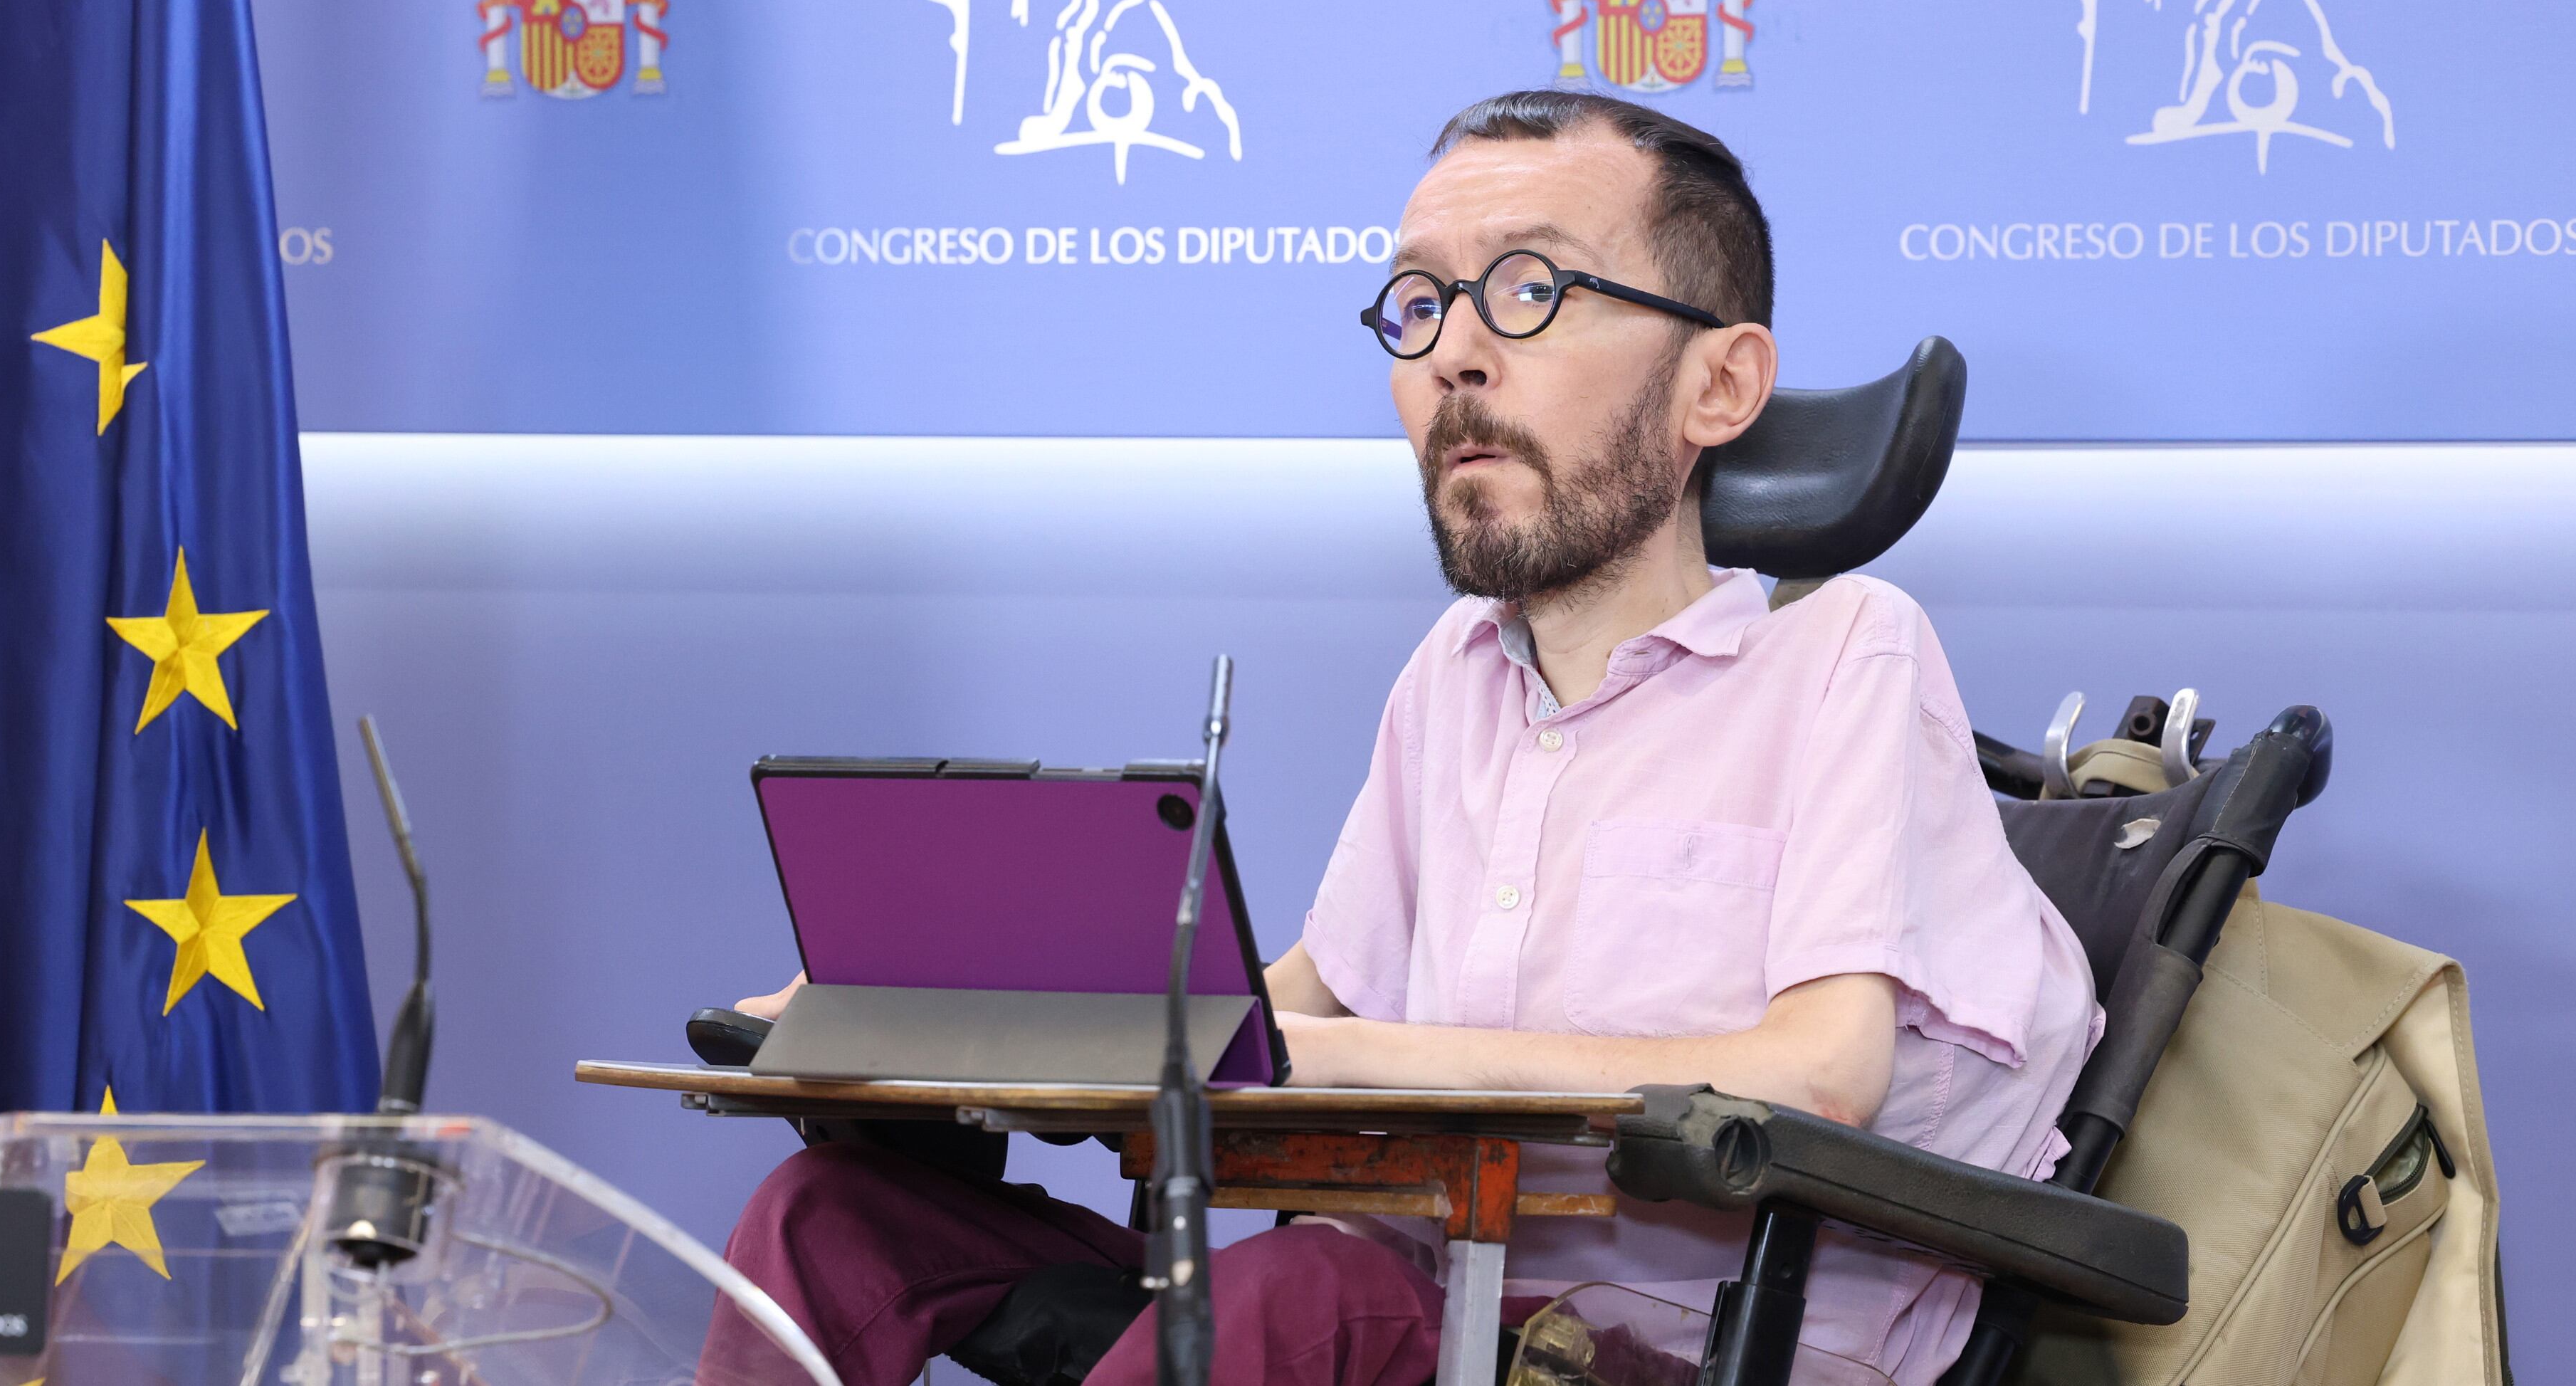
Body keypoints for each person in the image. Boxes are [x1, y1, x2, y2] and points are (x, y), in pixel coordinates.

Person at [708, 90, 2099, 1386]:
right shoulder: (1456, 675)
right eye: (1422, 304)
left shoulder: (1846, 651)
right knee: (831, 1217)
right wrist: (939, 1008)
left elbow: (1822, 1072)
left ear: (1720, 388)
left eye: (1532, 290)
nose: (1454, 356)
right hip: (1430, 1302)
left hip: (1672, 1352)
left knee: (1302, 1290)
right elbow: (1297, 1004)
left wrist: (1346, 1056)